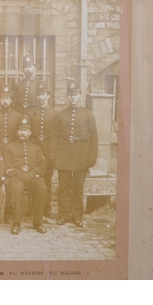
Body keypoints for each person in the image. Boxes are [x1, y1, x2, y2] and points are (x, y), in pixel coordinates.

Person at [55, 80, 98, 227]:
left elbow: (94, 138)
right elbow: (55, 138)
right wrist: (55, 157)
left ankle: (78, 216)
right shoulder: (60, 115)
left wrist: (91, 159)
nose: (72, 98)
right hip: (64, 155)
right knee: (64, 187)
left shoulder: (88, 115)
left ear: (80, 95)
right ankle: (63, 215)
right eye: (70, 95)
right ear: (67, 97)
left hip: (81, 155)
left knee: (78, 187)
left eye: (75, 95)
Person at [4, 115, 48, 235]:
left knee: (42, 188)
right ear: (17, 131)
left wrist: (31, 174)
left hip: (32, 178)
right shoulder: (9, 147)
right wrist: (20, 175)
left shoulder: (36, 147)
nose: (22, 133)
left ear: (30, 132)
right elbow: (7, 166)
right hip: (16, 178)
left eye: (25, 130)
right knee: (16, 188)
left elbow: (43, 166)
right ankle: (16, 222)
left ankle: (38, 222)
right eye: (20, 130)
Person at [27, 80, 58, 217]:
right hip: (34, 149)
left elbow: (55, 136)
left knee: (47, 180)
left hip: (47, 149)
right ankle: (34, 208)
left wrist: (52, 154)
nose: (40, 97)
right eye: (38, 94)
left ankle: (47, 208)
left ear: (48, 95)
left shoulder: (54, 113)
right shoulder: (31, 112)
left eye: (43, 94)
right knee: (34, 178)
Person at [0, 84, 22, 153]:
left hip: (13, 148)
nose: (5, 101)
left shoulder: (17, 116)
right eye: (3, 98)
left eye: (7, 99)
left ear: (11, 101)